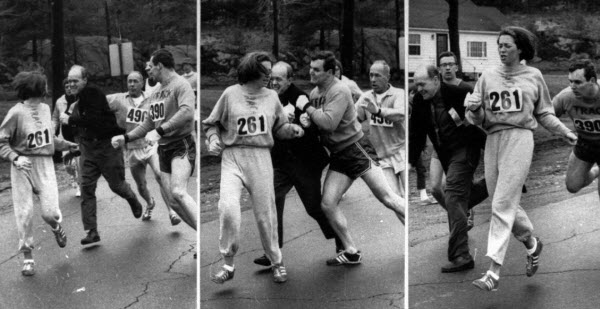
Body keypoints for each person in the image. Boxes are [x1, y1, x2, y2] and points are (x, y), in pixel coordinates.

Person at [465, 26, 577, 291]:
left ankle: (493, 272)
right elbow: (477, 119)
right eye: (499, 45)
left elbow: (544, 113)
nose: (501, 50)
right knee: (502, 201)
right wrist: (475, 110)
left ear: (520, 49)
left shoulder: (533, 75)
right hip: (493, 139)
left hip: (520, 139)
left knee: (502, 203)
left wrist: (564, 132)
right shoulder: (488, 76)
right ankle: (532, 244)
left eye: (507, 46)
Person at [202, 52, 305, 284]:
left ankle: (276, 262)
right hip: (233, 157)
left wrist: (292, 130)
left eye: (271, 72)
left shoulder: (271, 97)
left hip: (260, 157)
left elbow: (279, 128)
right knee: (228, 208)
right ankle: (228, 263)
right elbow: (211, 124)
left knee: (265, 214)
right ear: (251, 71)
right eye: (265, 72)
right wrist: (212, 140)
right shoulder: (230, 94)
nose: (269, 76)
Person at [295, 51, 405, 266]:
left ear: (329, 72)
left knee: (387, 198)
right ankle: (351, 250)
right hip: (339, 154)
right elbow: (319, 125)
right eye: (310, 68)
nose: (311, 72)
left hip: (356, 149)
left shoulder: (340, 90)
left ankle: (411, 235)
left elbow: (328, 123)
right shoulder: (316, 92)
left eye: (316, 69)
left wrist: (306, 107)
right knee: (327, 204)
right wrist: (305, 119)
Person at [252, 61, 343, 267]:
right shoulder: (267, 97)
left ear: (289, 79)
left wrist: (297, 124)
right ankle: (272, 252)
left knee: (313, 207)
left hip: (305, 162)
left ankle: (343, 242)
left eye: (279, 79)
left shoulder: (300, 97)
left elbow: (314, 131)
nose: (273, 82)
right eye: (271, 78)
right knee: (272, 200)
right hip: (281, 162)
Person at [410, 64, 488, 273]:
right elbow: (416, 132)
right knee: (459, 200)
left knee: (453, 195)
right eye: (416, 85)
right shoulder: (419, 101)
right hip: (445, 154)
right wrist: (410, 160)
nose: (419, 89)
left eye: (422, 84)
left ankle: (461, 255)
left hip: (466, 148)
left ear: (436, 80)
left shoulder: (458, 92)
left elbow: (481, 119)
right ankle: (492, 183)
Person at [111, 49, 198, 233]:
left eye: (151, 66)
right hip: (164, 148)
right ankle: (198, 233)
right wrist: (125, 137)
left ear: (160, 66)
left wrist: (159, 131)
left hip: (181, 143)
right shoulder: (157, 92)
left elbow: (187, 112)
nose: (149, 70)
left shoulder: (181, 85)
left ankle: (201, 240)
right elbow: (148, 122)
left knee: (178, 192)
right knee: (173, 202)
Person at [0, 71, 77, 275]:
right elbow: (1, 141)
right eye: (44, 85)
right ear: (37, 88)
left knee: (50, 212)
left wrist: (69, 145)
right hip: (22, 167)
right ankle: (28, 257)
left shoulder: (44, 109)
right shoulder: (16, 113)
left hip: (44, 164)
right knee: (24, 213)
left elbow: (48, 139)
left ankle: (56, 227)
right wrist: (15, 158)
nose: (47, 89)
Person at [59, 64, 144, 246]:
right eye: (69, 81)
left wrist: (70, 119)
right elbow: (76, 125)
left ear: (85, 80)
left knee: (117, 186)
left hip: (107, 147)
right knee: (86, 187)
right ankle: (92, 231)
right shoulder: (74, 98)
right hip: (88, 148)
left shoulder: (93, 93)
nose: (71, 84)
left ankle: (132, 198)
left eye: (75, 80)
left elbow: (93, 120)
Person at [106, 71, 182, 225]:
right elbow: (98, 102)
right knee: (141, 185)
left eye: (135, 81)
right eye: (129, 81)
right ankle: (149, 202)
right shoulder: (118, 99)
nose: (132, 84)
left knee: (160, 176)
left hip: (150, 144)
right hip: (132, 149)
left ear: (142, 83)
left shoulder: (152, 98)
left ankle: (172, 212)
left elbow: (164, 113)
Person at [431, 51, 477, 228]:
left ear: (457, 67)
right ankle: (460, 213)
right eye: (444, 65)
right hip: (440, 144)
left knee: (454, 187)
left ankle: (461, 216)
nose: (448, 67)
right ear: (439, 69)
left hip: (461, 146)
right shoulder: (435, 90)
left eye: (451, 64)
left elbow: (474, 118)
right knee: (435, 188)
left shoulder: (465, 89)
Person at [355, 60, 406, 198]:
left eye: (377, 76)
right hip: (382, 156)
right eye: (371, 75)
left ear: (387, 77)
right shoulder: (366, 98)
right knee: (394, 197)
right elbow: (353, 120)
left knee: (406, 197)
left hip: (402, 150)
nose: (373, 79)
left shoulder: (398, 94)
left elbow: (400, 114)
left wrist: (377, 111)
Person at [553, 61, 600, 201]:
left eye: (578, 82)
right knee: (572, 186)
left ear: (592, 81)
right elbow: (545, 114)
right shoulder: (566, 96)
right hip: (585, 142)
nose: (572, 86)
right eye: (570, 81)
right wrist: (563, 131)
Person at [52, 78, 81, 197]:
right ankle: (74, 178)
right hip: (64, 137)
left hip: (78, 136)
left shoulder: (81, 99)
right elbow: (54, 118)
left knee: (79, 164)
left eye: (71, 86)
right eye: (66, 87)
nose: (69, 88)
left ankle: (80, 185)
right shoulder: (59, 102)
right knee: (68, 166)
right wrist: (52, 129)